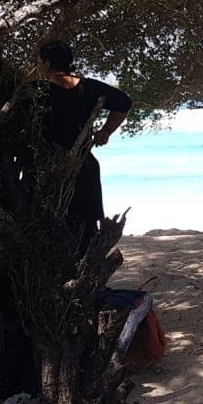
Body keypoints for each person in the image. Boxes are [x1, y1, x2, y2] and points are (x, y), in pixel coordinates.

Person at [37, 40, 132, 248]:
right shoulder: (89, 87)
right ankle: (84, 271)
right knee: (86, 228)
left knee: (47, 228)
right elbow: (124, 104)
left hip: (45, 165)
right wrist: (105, 132)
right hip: (83, 165)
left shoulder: (37, 90)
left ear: (44, 62)